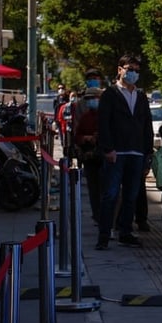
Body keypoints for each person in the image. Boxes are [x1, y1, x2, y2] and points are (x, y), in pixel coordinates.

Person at [95, 54, 153, 250]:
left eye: (136, 70)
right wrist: (108, 149)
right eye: (129, 69)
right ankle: (104, 235)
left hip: (136, 153)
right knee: (111, 194)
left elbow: (147, 125)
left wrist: (147, 153)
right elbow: (103, 123)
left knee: (131, 195)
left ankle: (125, 232)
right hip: (116, 152)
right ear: (120, 69)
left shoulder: (142, 96)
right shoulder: (110, 94)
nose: (133, 73)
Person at [73, 87, 103, 224]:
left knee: (107, 188)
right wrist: (85, 138)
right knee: (93, 188)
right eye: (89, 99)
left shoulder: (108, 115)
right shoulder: (85, 117)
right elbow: (77, 135)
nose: (92, 101)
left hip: (105, 156)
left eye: (94, 98)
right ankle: (97, 214)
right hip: (89, 157)